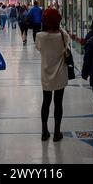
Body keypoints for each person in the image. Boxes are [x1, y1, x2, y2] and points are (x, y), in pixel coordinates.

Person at [36, 8, 69, 142]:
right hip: (61, 73)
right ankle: (57, 132)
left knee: (46, 101)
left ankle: (44, 131)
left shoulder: (40, 36)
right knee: (58, 102)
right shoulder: (63, 35)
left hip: (46, 73)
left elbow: (39, 49)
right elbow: (66, 48)